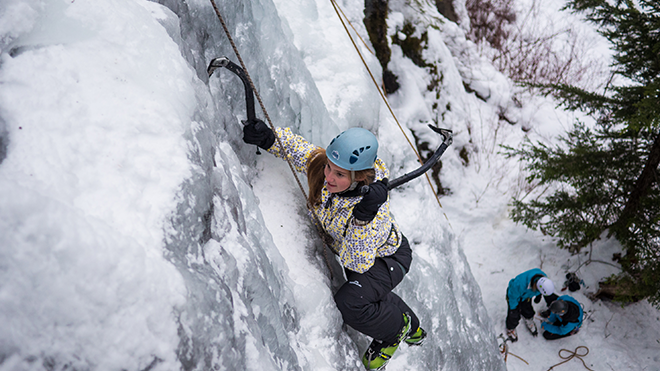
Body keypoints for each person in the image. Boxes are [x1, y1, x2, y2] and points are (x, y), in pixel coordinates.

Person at [242, 120, 425, 370]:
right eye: (330, 167)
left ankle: (396, 331)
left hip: (388, 258)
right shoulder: (329, 172)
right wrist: (269, 139)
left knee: (352, 300)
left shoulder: (374, 210)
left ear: (359, 177)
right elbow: (305, 153)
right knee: (366, 289)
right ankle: (413, 329)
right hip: (364, 257)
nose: (328, 177)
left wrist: (363, 217)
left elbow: (358, 263)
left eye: (339, 174)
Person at [505, 268, 558, 342]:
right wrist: (513, 309)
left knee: (528, 310)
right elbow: (512, 296)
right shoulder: (520, 284)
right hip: (514, 295)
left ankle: (528, 319)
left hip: (527, 296)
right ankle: (511, 328)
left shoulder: (543, 279)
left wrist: (538, 295)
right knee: (514, 316)